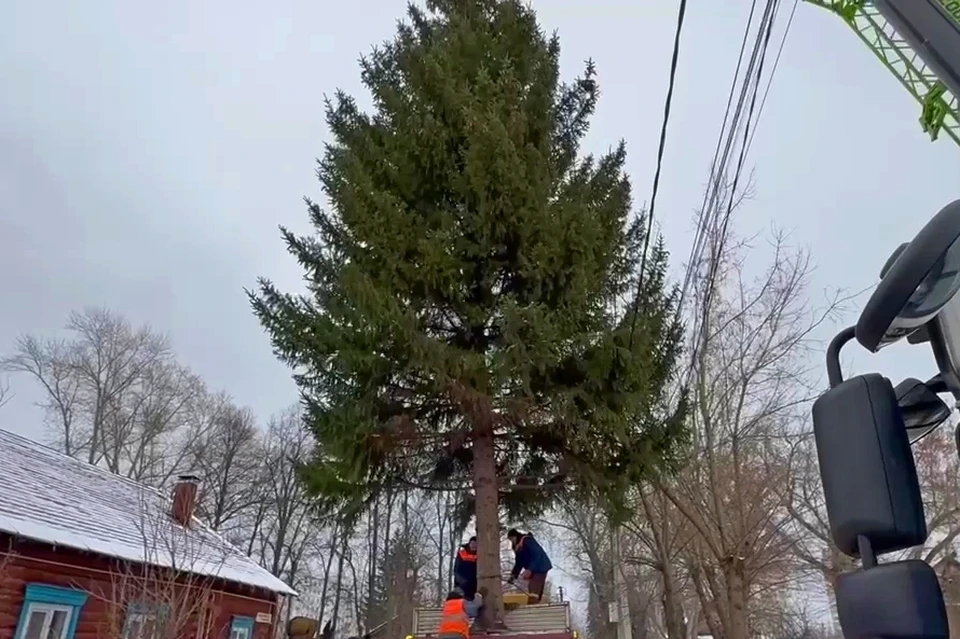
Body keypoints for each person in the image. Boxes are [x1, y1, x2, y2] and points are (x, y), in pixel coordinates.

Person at [506, 528, 552, 604]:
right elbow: (519, 563)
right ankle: (536, 603)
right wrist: (513, 576)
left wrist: (530, 569)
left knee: (533, 588)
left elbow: (537, 554)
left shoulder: (527, 541)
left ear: (514, 536)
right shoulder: (518, 548)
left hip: (540, 566)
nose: (511, 541)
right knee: (535, 589)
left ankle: (532, 606)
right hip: (535, 569)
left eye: (511, 539)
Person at [453, 536, 478, 600]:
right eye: (472, 543)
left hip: (475, 585)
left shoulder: (480, 555)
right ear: (469, 544)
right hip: (462, 584)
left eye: (476, 544)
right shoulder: (462, 554)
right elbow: (456, 570)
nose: (473, 546)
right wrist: (462, 583)